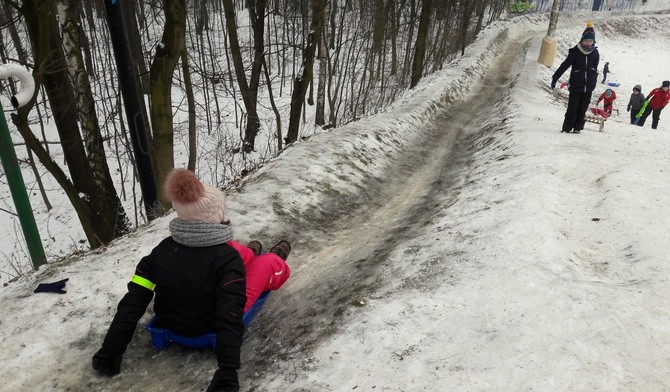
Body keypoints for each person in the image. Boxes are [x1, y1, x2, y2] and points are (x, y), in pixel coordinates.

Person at [92, 168, 291, 392]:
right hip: (208, 324)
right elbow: (230, 313)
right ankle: (273, 259)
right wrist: (227, 372)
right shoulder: (226, 259)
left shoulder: (161, 251)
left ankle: (250, 253)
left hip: (169, 321)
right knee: (266, 263)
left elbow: (134, 301)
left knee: (233, 252)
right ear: (216, 216)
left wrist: (111, 350)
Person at [551, 22, 600, 134]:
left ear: (593, 42)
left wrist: (593, 79)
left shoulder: (595, 53)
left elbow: (595, 67)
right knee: (572, 108)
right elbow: (564, 66)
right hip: (576, 86)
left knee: (582, 109)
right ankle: (566, 128)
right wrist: (555, 78)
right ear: (582, 40)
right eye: (586, 41)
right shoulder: (575, 53)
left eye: (590, 41)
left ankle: (578, 128)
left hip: (589, 87)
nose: (588, 43)